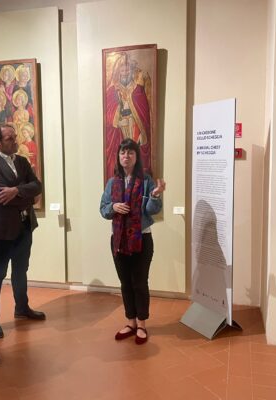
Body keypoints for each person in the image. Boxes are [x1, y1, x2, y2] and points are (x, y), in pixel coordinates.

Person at [0, 123, 45, 339]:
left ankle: (22, 307)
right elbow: (1, 197)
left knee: (21, 270)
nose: (16, 140)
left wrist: (17, 190)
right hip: (1, 230)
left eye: (15, 136)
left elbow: (37, 186)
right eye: (10, 138)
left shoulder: (22, 161)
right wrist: (27, 197)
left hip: (24, 226)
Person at [100, 138, 165, 344]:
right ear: (118, 157)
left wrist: (155, 195)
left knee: (139, 282)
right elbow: (103, 209)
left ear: (136, 157)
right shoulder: (112, 183)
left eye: (130, 152)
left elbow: (152, 210)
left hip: (141, 239)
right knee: (125, 283)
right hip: (119, 240)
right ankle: (130, 322)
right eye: (122, 153)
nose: (126, 156)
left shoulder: (146, 181)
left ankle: (142, 324)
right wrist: (113, 207)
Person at [105, 53, 152, 181]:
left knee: (134, 156)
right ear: (118, 71)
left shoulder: (138, 89)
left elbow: (144, 115)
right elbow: (108, 115)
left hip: (135, 129)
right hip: (119, 131)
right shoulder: (112, 91)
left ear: (131, 71)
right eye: (122, 70)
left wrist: (142, 132)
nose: (125, 73)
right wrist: (117, 119)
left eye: (127, 70)